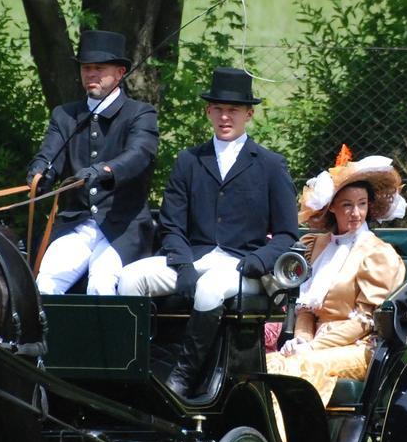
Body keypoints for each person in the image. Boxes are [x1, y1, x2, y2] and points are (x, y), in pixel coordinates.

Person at [119, 66, 299, 398]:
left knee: (210, 288)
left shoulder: (270, 165)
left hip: (242, 266)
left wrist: (258, 261)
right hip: (195, 258)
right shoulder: (189, 160)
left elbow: (288, 235)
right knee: (130, 277)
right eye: (218, 109)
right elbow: (172, 225)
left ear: (249, 114)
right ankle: (136, 367)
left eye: (233, 110)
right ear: (208, 112)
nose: (225, 116)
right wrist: (183, 264)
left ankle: (183, 376)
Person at [265, 150, 407, 407]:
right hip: (317, 342)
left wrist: (313, 347)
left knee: (301, 365)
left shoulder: (377, 253)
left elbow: (365, 321)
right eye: (347, 205)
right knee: (269, 364)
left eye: (362, 204)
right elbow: (306, 309)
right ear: (331, 207)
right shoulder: (316, 246)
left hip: (358, 347)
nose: (356, 213)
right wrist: (301, 340)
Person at [26, 30, 158, 295]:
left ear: (120, 73)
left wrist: (104, 170)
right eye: (87, 68)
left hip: (123, 226)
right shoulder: (65, 115)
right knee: (47, 282)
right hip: (78, 223)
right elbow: (49, 154)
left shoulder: (140, 113)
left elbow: (140, 154)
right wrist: (39, 174)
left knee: (101, 282)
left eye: (99, 68)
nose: (91, 74)